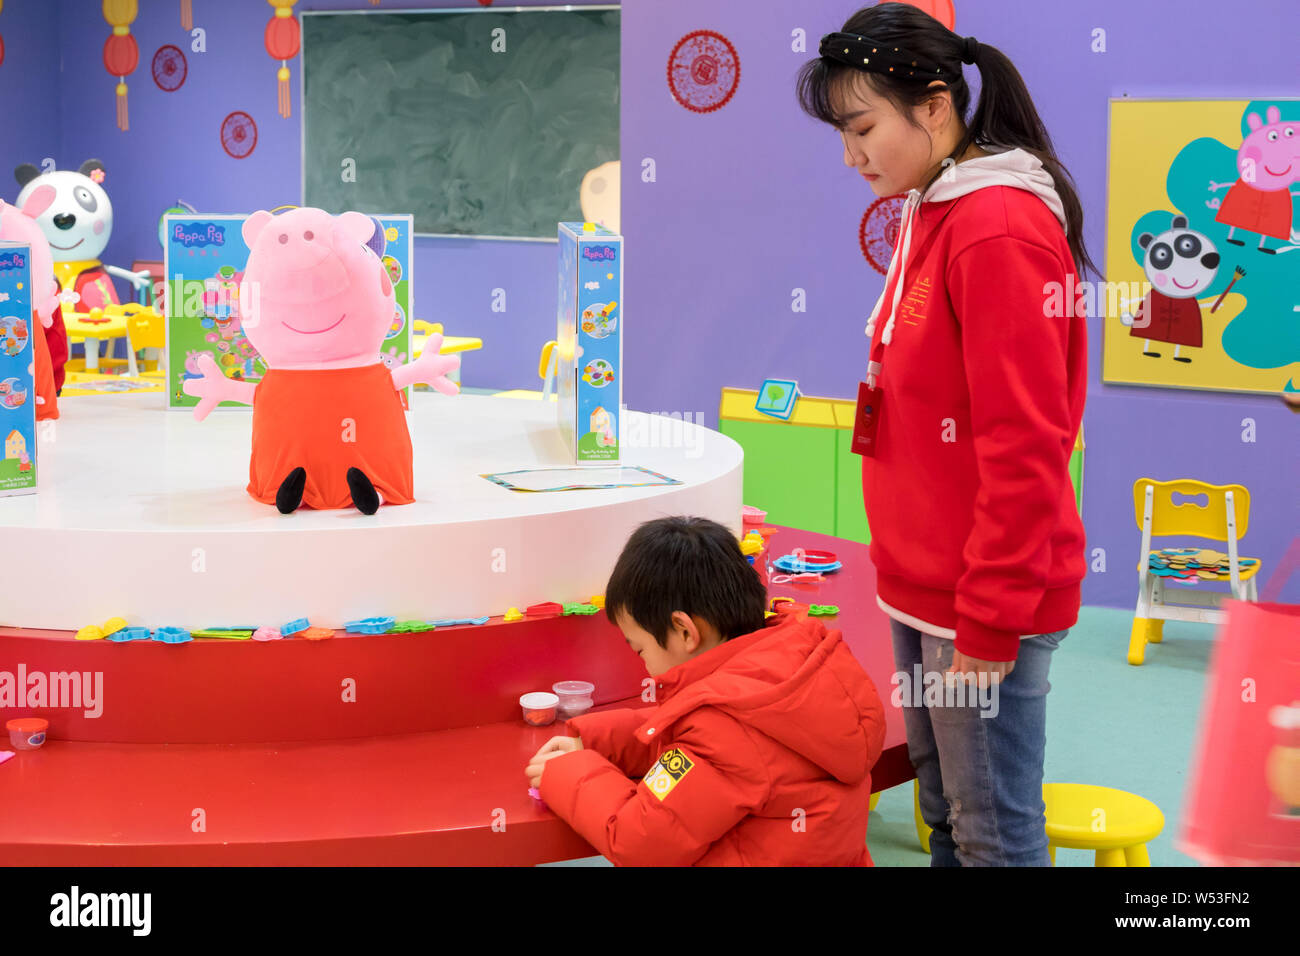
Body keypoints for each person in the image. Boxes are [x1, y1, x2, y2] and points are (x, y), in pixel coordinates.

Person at [796, 3, 1091, 865]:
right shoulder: (937, 209)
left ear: (933, 106)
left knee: (992, 832)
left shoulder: (994, 228)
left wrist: (990, 623)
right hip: (926, 585)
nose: (850, 155)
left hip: (981, 597)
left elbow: (1029, 443)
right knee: (947, 814)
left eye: (861, 127)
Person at [525, 516, 886, 866]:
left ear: (684, 631)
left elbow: (639, 841)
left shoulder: (723, 730)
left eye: (641, 649)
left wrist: (570, 772)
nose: (645, 666)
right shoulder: (794, 667)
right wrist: (599, 741)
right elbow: (694, 743)